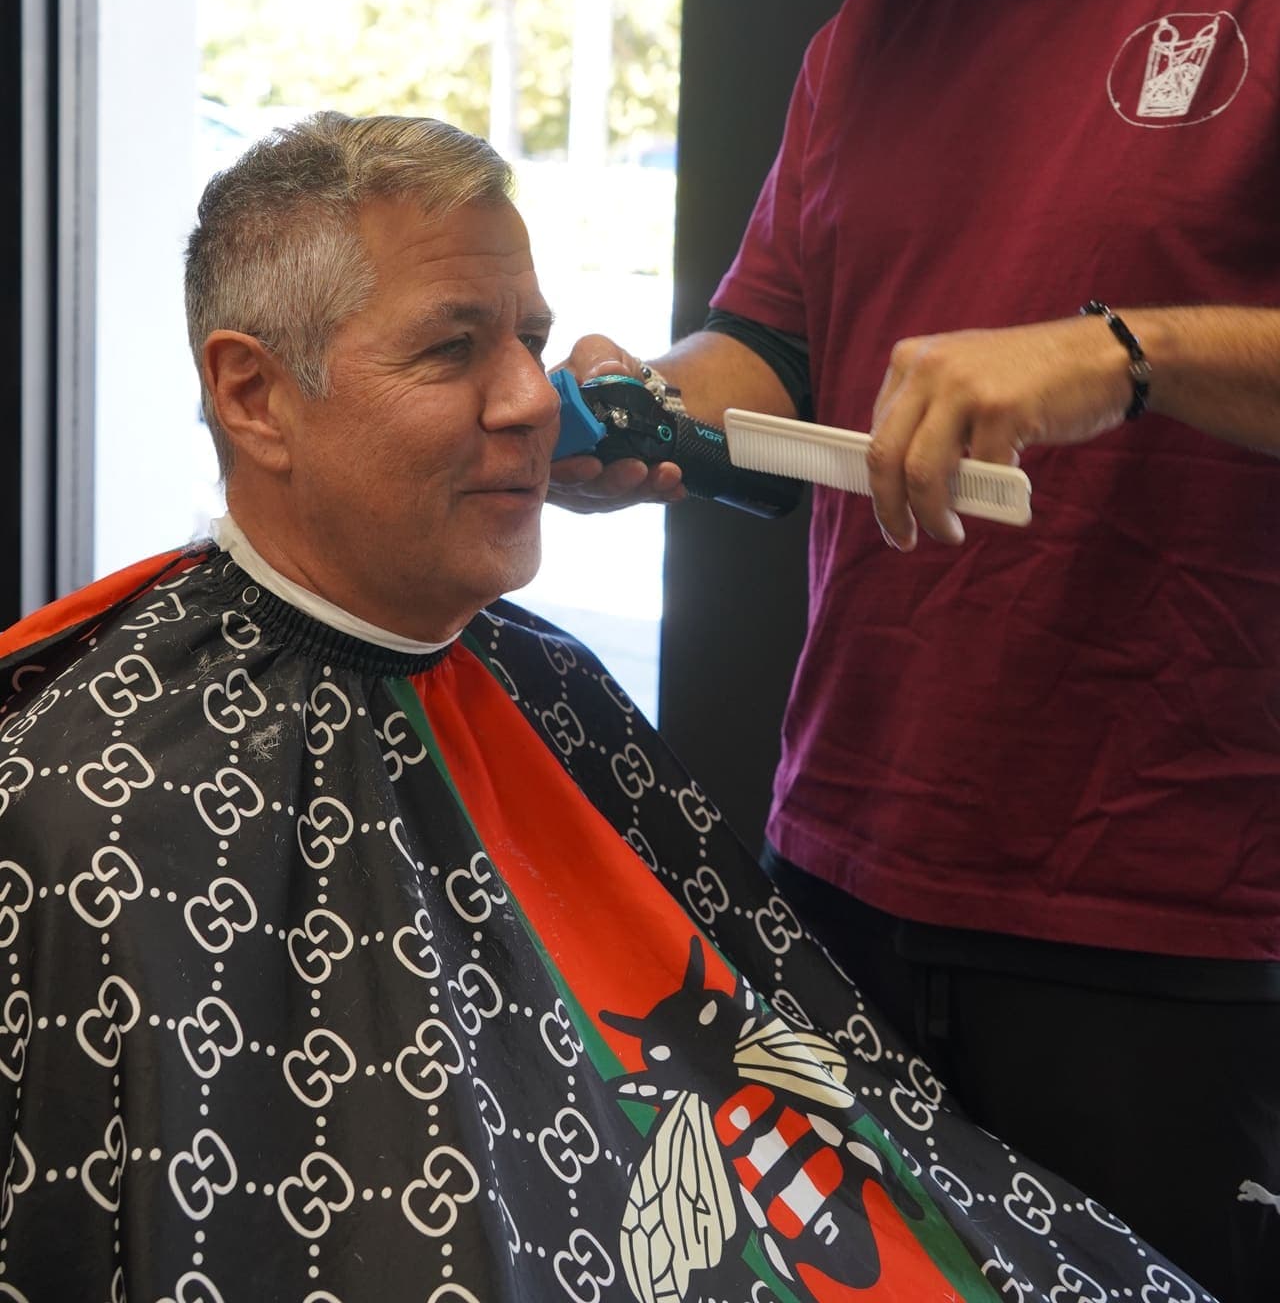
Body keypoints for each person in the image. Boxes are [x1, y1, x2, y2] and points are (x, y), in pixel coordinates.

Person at [0, 110, 1209, 1303]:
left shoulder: (547, 685)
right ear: (254, 396)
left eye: (529, 338)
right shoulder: (87, 800)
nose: (531, 397)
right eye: (450, 350)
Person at [551, 0, 1280, 1303]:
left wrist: (1118, 350)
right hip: (843, 871)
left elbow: (1139, 353)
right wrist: (644, 414)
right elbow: (769, 357)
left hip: (1163, 916)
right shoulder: (867, 38)